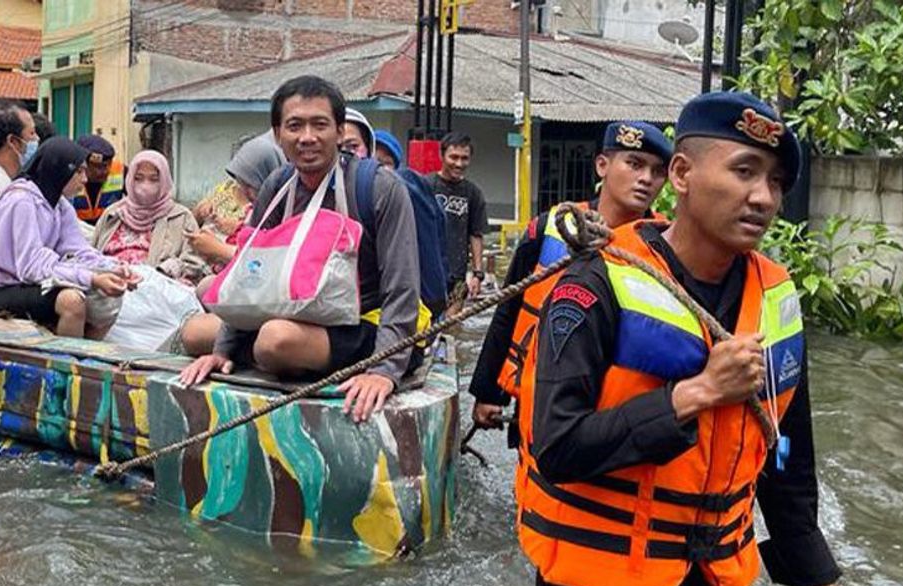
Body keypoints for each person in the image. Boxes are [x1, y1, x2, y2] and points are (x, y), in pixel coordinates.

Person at [520, 91, 901, 586]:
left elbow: (786, 467)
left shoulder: (774, 301)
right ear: (682, 174)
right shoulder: (595, 286)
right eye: (744, 171)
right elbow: (556, 445)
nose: (763, 197)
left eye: (775, 181)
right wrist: (693, 395)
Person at [179, 75, 422, 423]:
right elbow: (251, 273)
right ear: (278, 135)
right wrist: (223, 352)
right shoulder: (278, 187)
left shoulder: (379, 188)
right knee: (195, 333)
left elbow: (402, 287)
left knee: (274, 341)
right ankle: (271, 354)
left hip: (360, 323)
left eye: (319, 124)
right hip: (296, 315)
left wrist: (384, 369)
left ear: (339, 132)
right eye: (295, 126)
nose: (307, 137)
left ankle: (281, 355)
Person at [471, 120, 672, 446]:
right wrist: (488, 392)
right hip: (541, 393)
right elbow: (509, 311)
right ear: (602, 166)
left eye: (657, 171)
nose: (646, 179)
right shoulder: (551, 228)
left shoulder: (666, 247)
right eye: (634, 164)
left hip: (619, 412)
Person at [0, 137, 134, 338]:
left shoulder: (59, 203)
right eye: (78, 172)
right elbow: (31, 266)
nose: (84, 179)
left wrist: (114, 269)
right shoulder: (21, 200)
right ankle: (68, 364)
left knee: (106, 301)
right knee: (71, 301)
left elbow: (77, 249)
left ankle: (89, 360)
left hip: (26, 283)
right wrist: (91, 278)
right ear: (60, 170)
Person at [180, 133, 287, 354]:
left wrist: (219, 250)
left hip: (274, 305)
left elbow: (269, 267)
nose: (244, 193)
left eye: (251, 185)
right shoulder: (253, 209)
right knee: (205, 291)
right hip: (251, 298)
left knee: (194, 331)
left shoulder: (285, 211)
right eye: (241, 185)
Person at [91, 149, 205, 283]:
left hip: (156, 291)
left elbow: (195, 262)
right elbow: (91, 254)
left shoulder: (182, 217)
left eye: (154, 179)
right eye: (138, 178)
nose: (145, 186)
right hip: (109, 288)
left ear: (164, 181)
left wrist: (165, 272)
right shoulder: (113, 214)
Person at [428, 132, 487, 300]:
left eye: (464, 158)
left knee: (451, 325)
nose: (459, 163)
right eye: (453, 157)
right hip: (427, 272)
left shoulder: (473, 193)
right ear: (442, 155)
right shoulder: (426, 186)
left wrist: (477, 274)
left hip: (457, 276)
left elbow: (476, 234)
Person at [73, 134, 125, 225]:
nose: (106, 171)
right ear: (83, 164)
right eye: (99, 167)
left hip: (108, 231)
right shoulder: (68, 176)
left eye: (109, 165)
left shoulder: (120, 171)